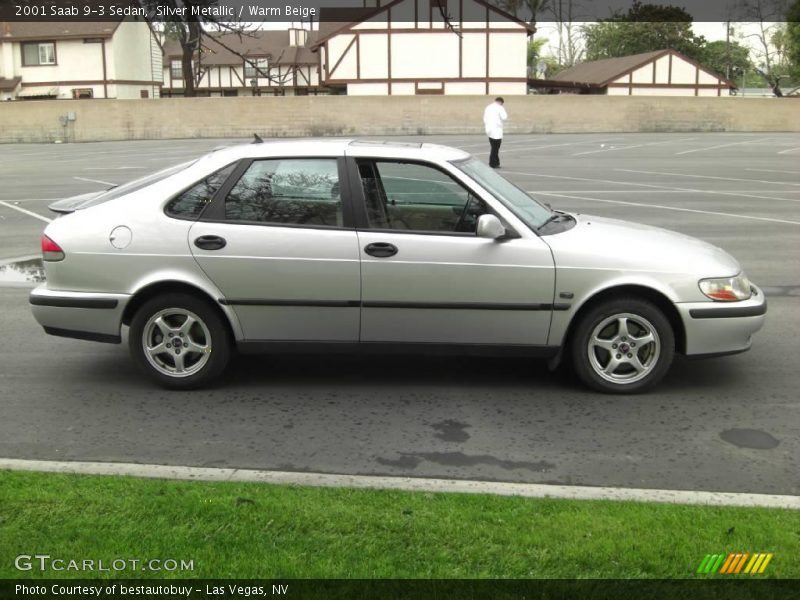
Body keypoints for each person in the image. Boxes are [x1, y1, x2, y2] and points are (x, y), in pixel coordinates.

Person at [483, 97, 507, 168]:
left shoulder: (488, 107)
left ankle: (496, 162)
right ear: (501, 102)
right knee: (495, 148)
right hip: (497, 130)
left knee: (493, 147)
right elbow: (504, 117)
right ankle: (493, 163)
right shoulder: (500, 108)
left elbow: (485, 118)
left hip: (489, 130)